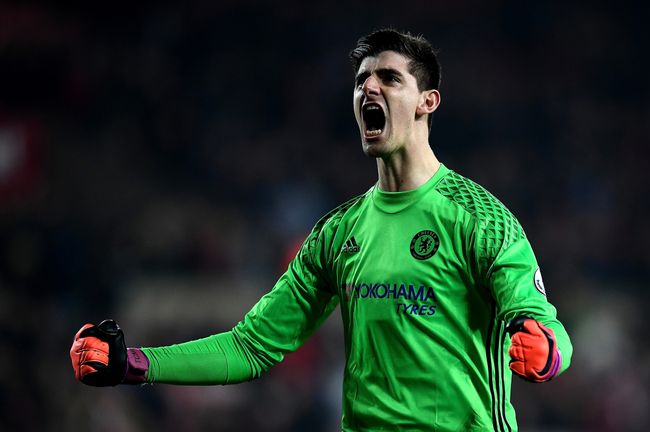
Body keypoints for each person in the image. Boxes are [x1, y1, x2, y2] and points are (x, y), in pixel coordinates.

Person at [70, 29, 573, 431]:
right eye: (362, 80)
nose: (369, 88)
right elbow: (251, 347)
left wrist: (546, 349)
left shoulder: (479, 217)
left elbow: (543, 324)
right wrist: (132, 364)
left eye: (390, 79)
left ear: (428, 101)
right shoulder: (338, 232)